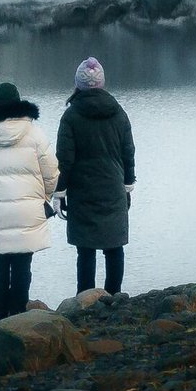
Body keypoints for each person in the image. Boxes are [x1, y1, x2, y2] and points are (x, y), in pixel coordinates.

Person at [0, 82, 59, 326]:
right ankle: (19, 317)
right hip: (28, 211)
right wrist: (45, 198)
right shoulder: (34, 132)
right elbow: (51, 172)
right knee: (22, 265)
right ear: (18, 101)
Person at [56, 57, 135, 296]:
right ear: (101, 83)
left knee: (86, 249)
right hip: (113, 188)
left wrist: (60, 192)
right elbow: (128, 152)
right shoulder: (118, 112)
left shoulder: (70, 117)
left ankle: (85, 298)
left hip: (82, 191)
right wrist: (128, 185)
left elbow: (65, 160)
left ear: (78, 84)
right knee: (114, 247)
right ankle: (115, 297)